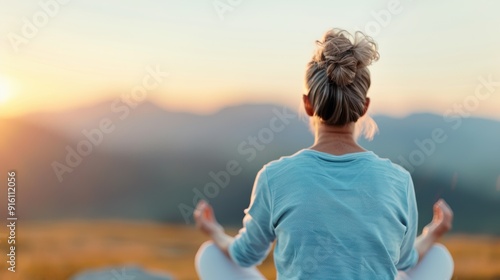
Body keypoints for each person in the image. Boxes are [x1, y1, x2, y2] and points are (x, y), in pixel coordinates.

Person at [193, 29, 454, 280]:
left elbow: (243, 256)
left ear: (308, 104)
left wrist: (213, 231)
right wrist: (433, 232)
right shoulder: (398, 180)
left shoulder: (274, 177)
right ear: (364, 107)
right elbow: (406, 260)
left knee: (210, 257)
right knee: (439, 257)